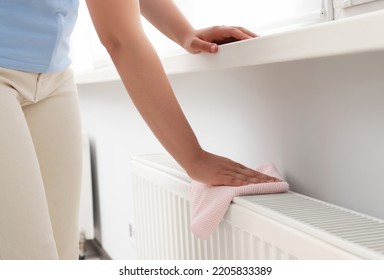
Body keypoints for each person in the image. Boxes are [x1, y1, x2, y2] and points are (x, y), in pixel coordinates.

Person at [0, 0, 280, 260]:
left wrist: (183, 32)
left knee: (62, 253)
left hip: (53, 76)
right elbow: (119, 38)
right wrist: (194, 158)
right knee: (30, 256)